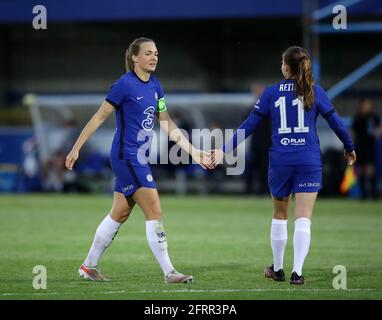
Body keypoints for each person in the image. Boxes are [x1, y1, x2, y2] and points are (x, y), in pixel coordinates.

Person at [65, 37, 211, 283]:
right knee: (154, 207)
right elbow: (99, 117)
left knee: (119, 213)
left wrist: (194, 151)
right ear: (134, 57)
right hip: (126, 156)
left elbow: (166, 122)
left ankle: (89, 266)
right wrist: (76, 148)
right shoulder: (123, 85)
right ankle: (169, 272)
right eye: (148, 53)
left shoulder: (156, 86)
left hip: (139, 157)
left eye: (156, 53)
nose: (154, 57)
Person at [210, 46, 356, 285]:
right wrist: (349, 147)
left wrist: (223, 150)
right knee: (303, 218)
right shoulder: (315, 91)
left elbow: (248, 126)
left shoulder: (271, 93)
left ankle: (278, 269)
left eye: (282, 62)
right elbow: (337, 124)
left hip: (280, 161)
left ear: (287, 67)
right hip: (308, 160)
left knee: (280, 215)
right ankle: (297, 273)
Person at [352, 98, 381, 199]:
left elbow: (379, 128)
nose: (366, 107)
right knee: (361, 170)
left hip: (370, 146)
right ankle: (363, 195)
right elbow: (354, 133)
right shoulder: (358, 117)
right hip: (360, 146)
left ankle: (374, 194)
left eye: (367, 105)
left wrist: (378, 133)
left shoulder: (374, 117)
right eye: (364, 105)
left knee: (371, 170)